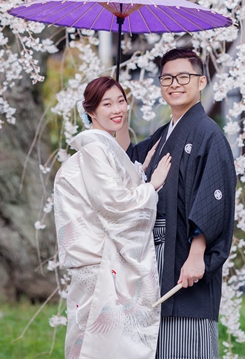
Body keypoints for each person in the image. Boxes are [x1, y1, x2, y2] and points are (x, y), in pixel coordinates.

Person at [127, 49, 237, 359]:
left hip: (184, 253)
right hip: (156, 254)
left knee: (186, 340)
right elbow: (129, 160)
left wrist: (197, 254)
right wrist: (116, 109)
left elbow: (214, 194)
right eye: (167, 78)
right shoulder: (164, 134)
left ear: (201, 82)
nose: (174, 84)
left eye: (183, 77)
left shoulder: (208, 134)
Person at [54, 76, 173, 359]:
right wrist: (152, 186)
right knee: (101, 347)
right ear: (91, 111)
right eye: (106, 104)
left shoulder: (104, 147)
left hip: (98, 264)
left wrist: (138, 172)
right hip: (99, 266)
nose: (117, 109)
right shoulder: (95, 148)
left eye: (120, 101)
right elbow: (115, 205)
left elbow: (112, 191)